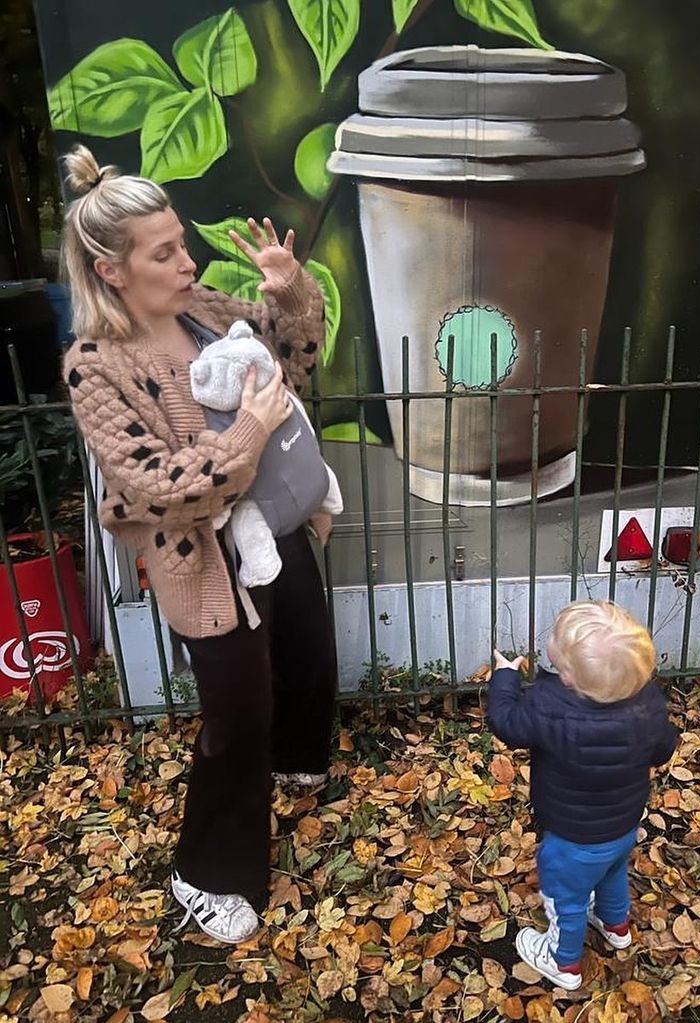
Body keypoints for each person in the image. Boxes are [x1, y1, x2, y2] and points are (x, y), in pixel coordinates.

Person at [61, 145, 338, 944]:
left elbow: (295, 362)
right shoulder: (96, 367)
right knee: (235, 716)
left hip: (280, 531)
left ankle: (298, 762)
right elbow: (163, 490)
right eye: (165, 252)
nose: (187, 261)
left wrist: (289, 291)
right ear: (111, 270)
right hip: (206, 563)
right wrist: (251, 429)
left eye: (182, 243)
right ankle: (205, 870)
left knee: (308, 652)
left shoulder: (208, 311)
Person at [488, 600, 679, 990]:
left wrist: (505, 678)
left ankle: (564, 963)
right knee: (612, 872)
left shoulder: (549, 706)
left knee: (566, 899)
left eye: (557, 641)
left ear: (571, 677)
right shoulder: (647, 704)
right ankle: (616, 925)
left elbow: (506, 724)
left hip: (570, 837)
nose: (551, 642)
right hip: (623, 824)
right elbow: (663, 749)